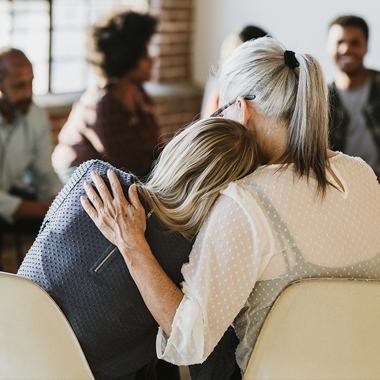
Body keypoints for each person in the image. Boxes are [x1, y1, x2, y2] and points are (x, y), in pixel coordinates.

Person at [82, 36, 380, 377]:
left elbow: (189, 341)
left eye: (223, 110)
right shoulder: (362, 175)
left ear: (243, 108)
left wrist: (132, 245)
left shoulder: (247, 201)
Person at [19, 117, 257, 380]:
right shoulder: (193, 260)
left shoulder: (93, 175)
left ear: (178, 150)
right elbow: (210, 363)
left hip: (13, 341)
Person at [52, 10, 160, 184]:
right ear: (128, 57)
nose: (152, 60)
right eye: (145, 54)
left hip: (119, 175)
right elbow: (131, 167)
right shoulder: (101, 106)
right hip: (81, 179)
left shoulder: (138, 93)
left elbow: (155, 148)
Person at [0, 47, 62, 269]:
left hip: (7, 195)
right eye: (19, 86)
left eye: (31, 83)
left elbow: (43, 173)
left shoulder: (35, 115)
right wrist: (39, 208)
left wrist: (61, 203)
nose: (29, 93)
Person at [327, 15, 380, 181]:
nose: (345, 49)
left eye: (355, 43)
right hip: (342, 191)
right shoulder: (320, 99)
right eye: (339, 42)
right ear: (328, 47)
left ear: (366, 47)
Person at [201, 25, 268, 118]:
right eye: (226, 47)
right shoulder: (215, 89)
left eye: (234, 52)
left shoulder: (260, 100)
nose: (227, 55)